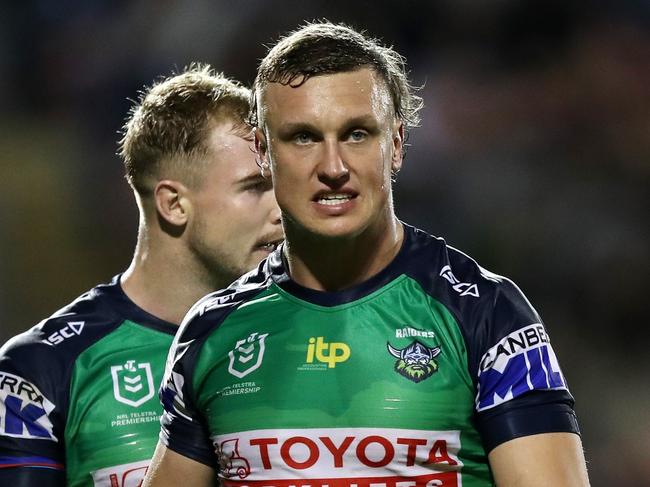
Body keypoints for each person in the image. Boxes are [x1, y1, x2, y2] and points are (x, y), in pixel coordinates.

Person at [144, 23, 590, 487]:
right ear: (262, 152)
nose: (333, 168)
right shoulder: (211, 332)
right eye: (303, 137)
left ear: (395, 145)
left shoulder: (485, 313)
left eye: (357, 134)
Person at [0, 64, 282, 487]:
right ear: (174, 204)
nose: (281, 211)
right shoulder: (42, 368)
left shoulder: (302, 337)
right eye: (255, 187)